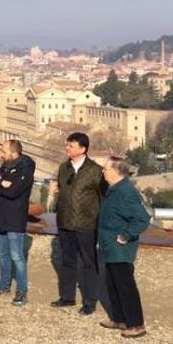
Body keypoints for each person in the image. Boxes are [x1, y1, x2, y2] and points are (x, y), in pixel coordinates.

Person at [49, 132, 106, 315]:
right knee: (67, 261)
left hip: (86, 224)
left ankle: (89, 302)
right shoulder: (64, 168)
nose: (67, 148)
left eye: (71, 146)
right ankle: (67, 297)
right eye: (67, 145)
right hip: (65, 222)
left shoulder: (95, 171)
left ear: (83, 149)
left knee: (89, 263)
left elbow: (104, 195)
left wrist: (100, 221)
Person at [97, 157, 151, 338]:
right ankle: (119, 319)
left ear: (115, 171)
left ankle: (136, 324)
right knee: (112, 283)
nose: (103, 171)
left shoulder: (126, 192)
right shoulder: (114, 190)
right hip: (109, 246)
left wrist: (125, 235)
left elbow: (142, 219)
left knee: (125, 286)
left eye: (105, 168)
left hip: (120, 248)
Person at [0, 140, 35, 306]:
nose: (1, 154)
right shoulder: (6, 166)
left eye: (4, 152)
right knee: (4, 255)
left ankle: (22, 291)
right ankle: (4, 285)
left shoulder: (26, 169)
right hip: (1, 217)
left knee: (17, 257)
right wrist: (2, 183)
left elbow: (14, 191)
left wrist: (1, 184)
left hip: (15, 218)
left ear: (14, 153)